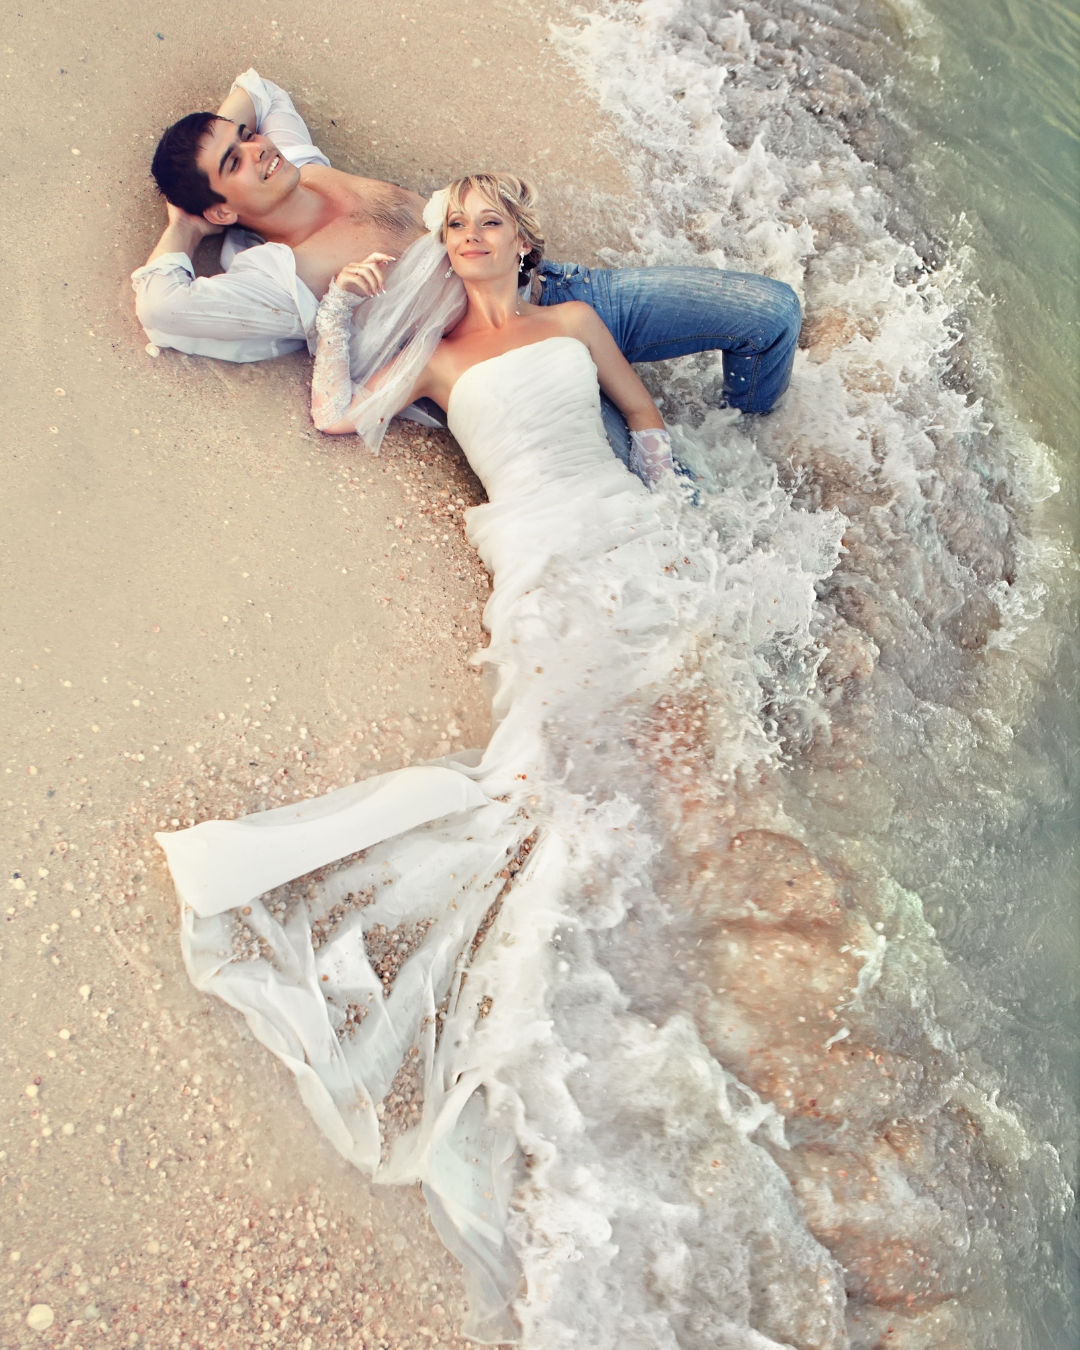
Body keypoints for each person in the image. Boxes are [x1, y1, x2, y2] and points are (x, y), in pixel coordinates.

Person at [156, 173, 822, 1344]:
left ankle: (720, 907)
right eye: (453, 224)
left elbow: (647, 422)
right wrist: (336, 314)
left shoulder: (573, 320)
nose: (469, 237)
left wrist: (676, 521)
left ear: (523, 239)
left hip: (621, 522)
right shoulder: (435, 351)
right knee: (551, 782)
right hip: (537, 553)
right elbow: (334, 417)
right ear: (441, 244)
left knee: (687, 714)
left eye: (489, 222)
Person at [134, 70, 801, 464]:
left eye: (245, 140)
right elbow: (162, 307)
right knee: (664, 515)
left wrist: (221, 143)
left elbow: (255, 85)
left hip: (560, 297)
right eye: (233, 164)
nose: (257, 152)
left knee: (772, 314)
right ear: (221, 211)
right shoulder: (280, 275)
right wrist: (182, 224)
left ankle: (748, 435)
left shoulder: (307, 166)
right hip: (510, 378)